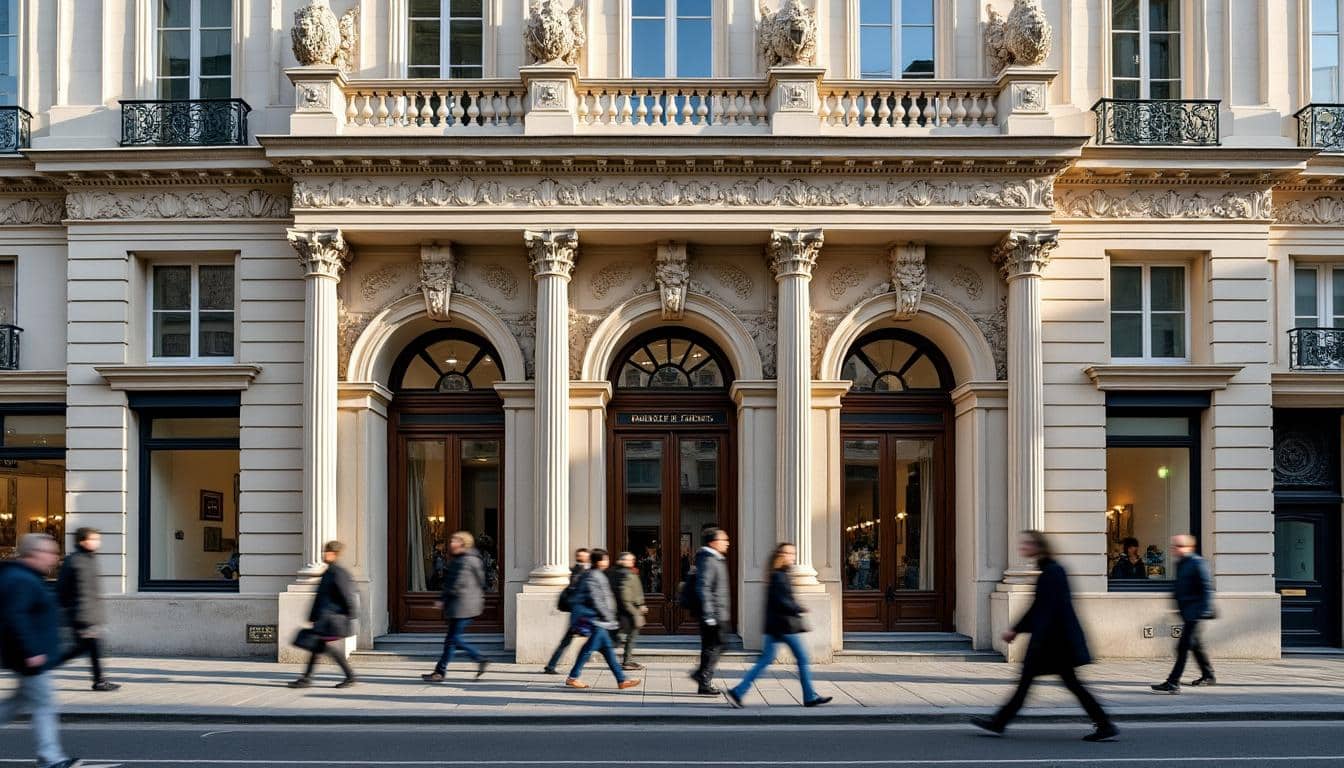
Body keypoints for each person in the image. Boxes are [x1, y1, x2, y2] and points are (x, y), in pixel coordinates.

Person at [971, 531, 1117, 742]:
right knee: (1063, 684)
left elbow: (1045, 609)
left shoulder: (1052, 572)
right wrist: (1018, 629)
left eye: (1027, 544)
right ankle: (1104, 724)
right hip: (1056, 642)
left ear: (1039, 546)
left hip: (1053, 643)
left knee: (1036, 684)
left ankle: (999, 723)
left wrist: (1021, 632)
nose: (1023, 548)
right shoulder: (1050, 570)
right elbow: (1041, 608)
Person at [0, 533, 79, 768]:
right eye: (50, 553)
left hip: (31, 656)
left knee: (15, 704)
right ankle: (50, 758)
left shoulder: (27, 576)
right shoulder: (21, 579)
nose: (55, 558)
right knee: (45, 706)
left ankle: (50, 756)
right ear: (34, 554)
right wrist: (31, 651)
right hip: (30, 657)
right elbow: (15, 617)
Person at [725, 543, 831, 708]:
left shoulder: (776, 575)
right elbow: (783, 602)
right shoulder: (780, 576)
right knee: (802, 658)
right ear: (781, 555)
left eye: (793, 553)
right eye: (789, 553)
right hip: (785, 627)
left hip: (774, 627)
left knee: (765, 661)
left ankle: (738, 691)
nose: (793, 557)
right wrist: (800, 608)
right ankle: (809, 696)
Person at [564, 549, 641, 690]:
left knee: (606, 650)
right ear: (599, 561)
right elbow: (597, 599)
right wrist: (608, 617)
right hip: (597, 620)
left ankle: (621, 679)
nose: (608, 561)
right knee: (591, 650)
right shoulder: (594, 576)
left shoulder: (596, 574)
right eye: (605, 559)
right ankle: (573, 677)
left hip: (599, 620)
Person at [57, 527, 120, 691]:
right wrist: (82, 618)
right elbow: (63, 591)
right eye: (94, 539)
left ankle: (99, 680)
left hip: (91, 614)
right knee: (89, 648)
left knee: (87, 648)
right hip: (83, 615)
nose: (97, 542)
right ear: (82, 541)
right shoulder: (74, 561)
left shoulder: (90, 559)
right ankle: (50, 663)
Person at [289, 540, 358, 689]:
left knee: (325, 648)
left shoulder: (337, 573)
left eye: (328, 552)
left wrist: (349, 615)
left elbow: (346, 596)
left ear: (335, 554)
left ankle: (350, 676)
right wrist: (314, 616)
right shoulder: (330, 572)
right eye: (325, 552)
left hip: (332, 619)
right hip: (325, 618)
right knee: (318, 647)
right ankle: (307, 678)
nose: (324, 555)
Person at [1152, 534, 1216, 693]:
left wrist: (1204, 610)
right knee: (1195, 645)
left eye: (1179, 546)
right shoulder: (1181, 563)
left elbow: (1206, 588)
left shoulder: (1197, 563)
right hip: (1187, 612)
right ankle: (1208, 675)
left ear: (1190, 547)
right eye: (1174, 546)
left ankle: (1173, 682)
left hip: (1195, 613)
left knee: (1182, 647)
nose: (1175, 549)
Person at [422, 531, 489, 682]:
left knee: (453, 640)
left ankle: (478, 658)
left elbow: (457, 583)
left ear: (463, 543)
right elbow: (482, 583)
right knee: (451, 640)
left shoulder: (465, 560)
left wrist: (442, 599)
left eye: (455, 541)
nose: (451, 543)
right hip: (467, 605)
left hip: (462, 606)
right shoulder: (472, 559)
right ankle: (440, 672)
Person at [691, 527, 730, 696]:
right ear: (713, 542)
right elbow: (704, 587)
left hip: (718, 612)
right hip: (713, 614)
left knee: (715, 646)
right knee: (713, 647)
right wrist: (709, 615)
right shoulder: (708, 560)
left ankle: (701, 676)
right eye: (724, 540)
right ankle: (704, 681)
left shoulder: (715, 558)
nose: (727, 543)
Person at [542, 547, 590, 674]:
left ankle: (551, 665)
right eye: (582, 555)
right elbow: (577, 591)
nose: (584, 557)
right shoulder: (579, 571)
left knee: (568, 641)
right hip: (579, 612)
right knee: (573, 640)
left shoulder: (578, 570)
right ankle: (552, 666)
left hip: (579, 611)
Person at [611, 551, 647, 671]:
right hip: (629, 611)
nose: (632, 561)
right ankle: (627, 661)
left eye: (633, 559)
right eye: (629, 559)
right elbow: (625, 597)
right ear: (622, 561)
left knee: (628, 636)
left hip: (627, 610)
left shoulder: (627, 572)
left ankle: (627, 660)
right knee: (628, 636)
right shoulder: (625, 574)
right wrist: (635, 611)